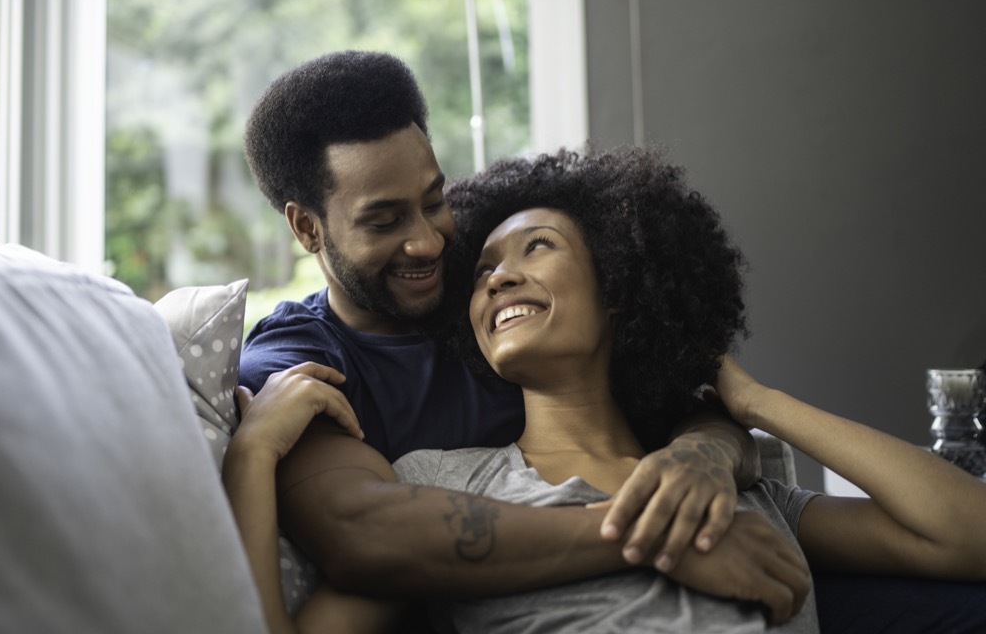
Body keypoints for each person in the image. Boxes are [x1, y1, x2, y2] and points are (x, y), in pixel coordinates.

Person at [228, 146, 986, 633]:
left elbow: (967, 537)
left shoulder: (729, 489)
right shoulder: (439, 483)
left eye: (538, 247)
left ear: (621, 284)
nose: (497, 275)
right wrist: (251, 459)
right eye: (485, 267)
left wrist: (754, 408)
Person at [236, 51, 804, 625]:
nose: (429, 243)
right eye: (384, 222)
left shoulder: (491, 291)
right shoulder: (297, 359)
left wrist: (704, 452)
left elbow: (681, 398)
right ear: (308, 227)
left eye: (434, 201)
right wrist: (658, 539)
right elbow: (365, 533)